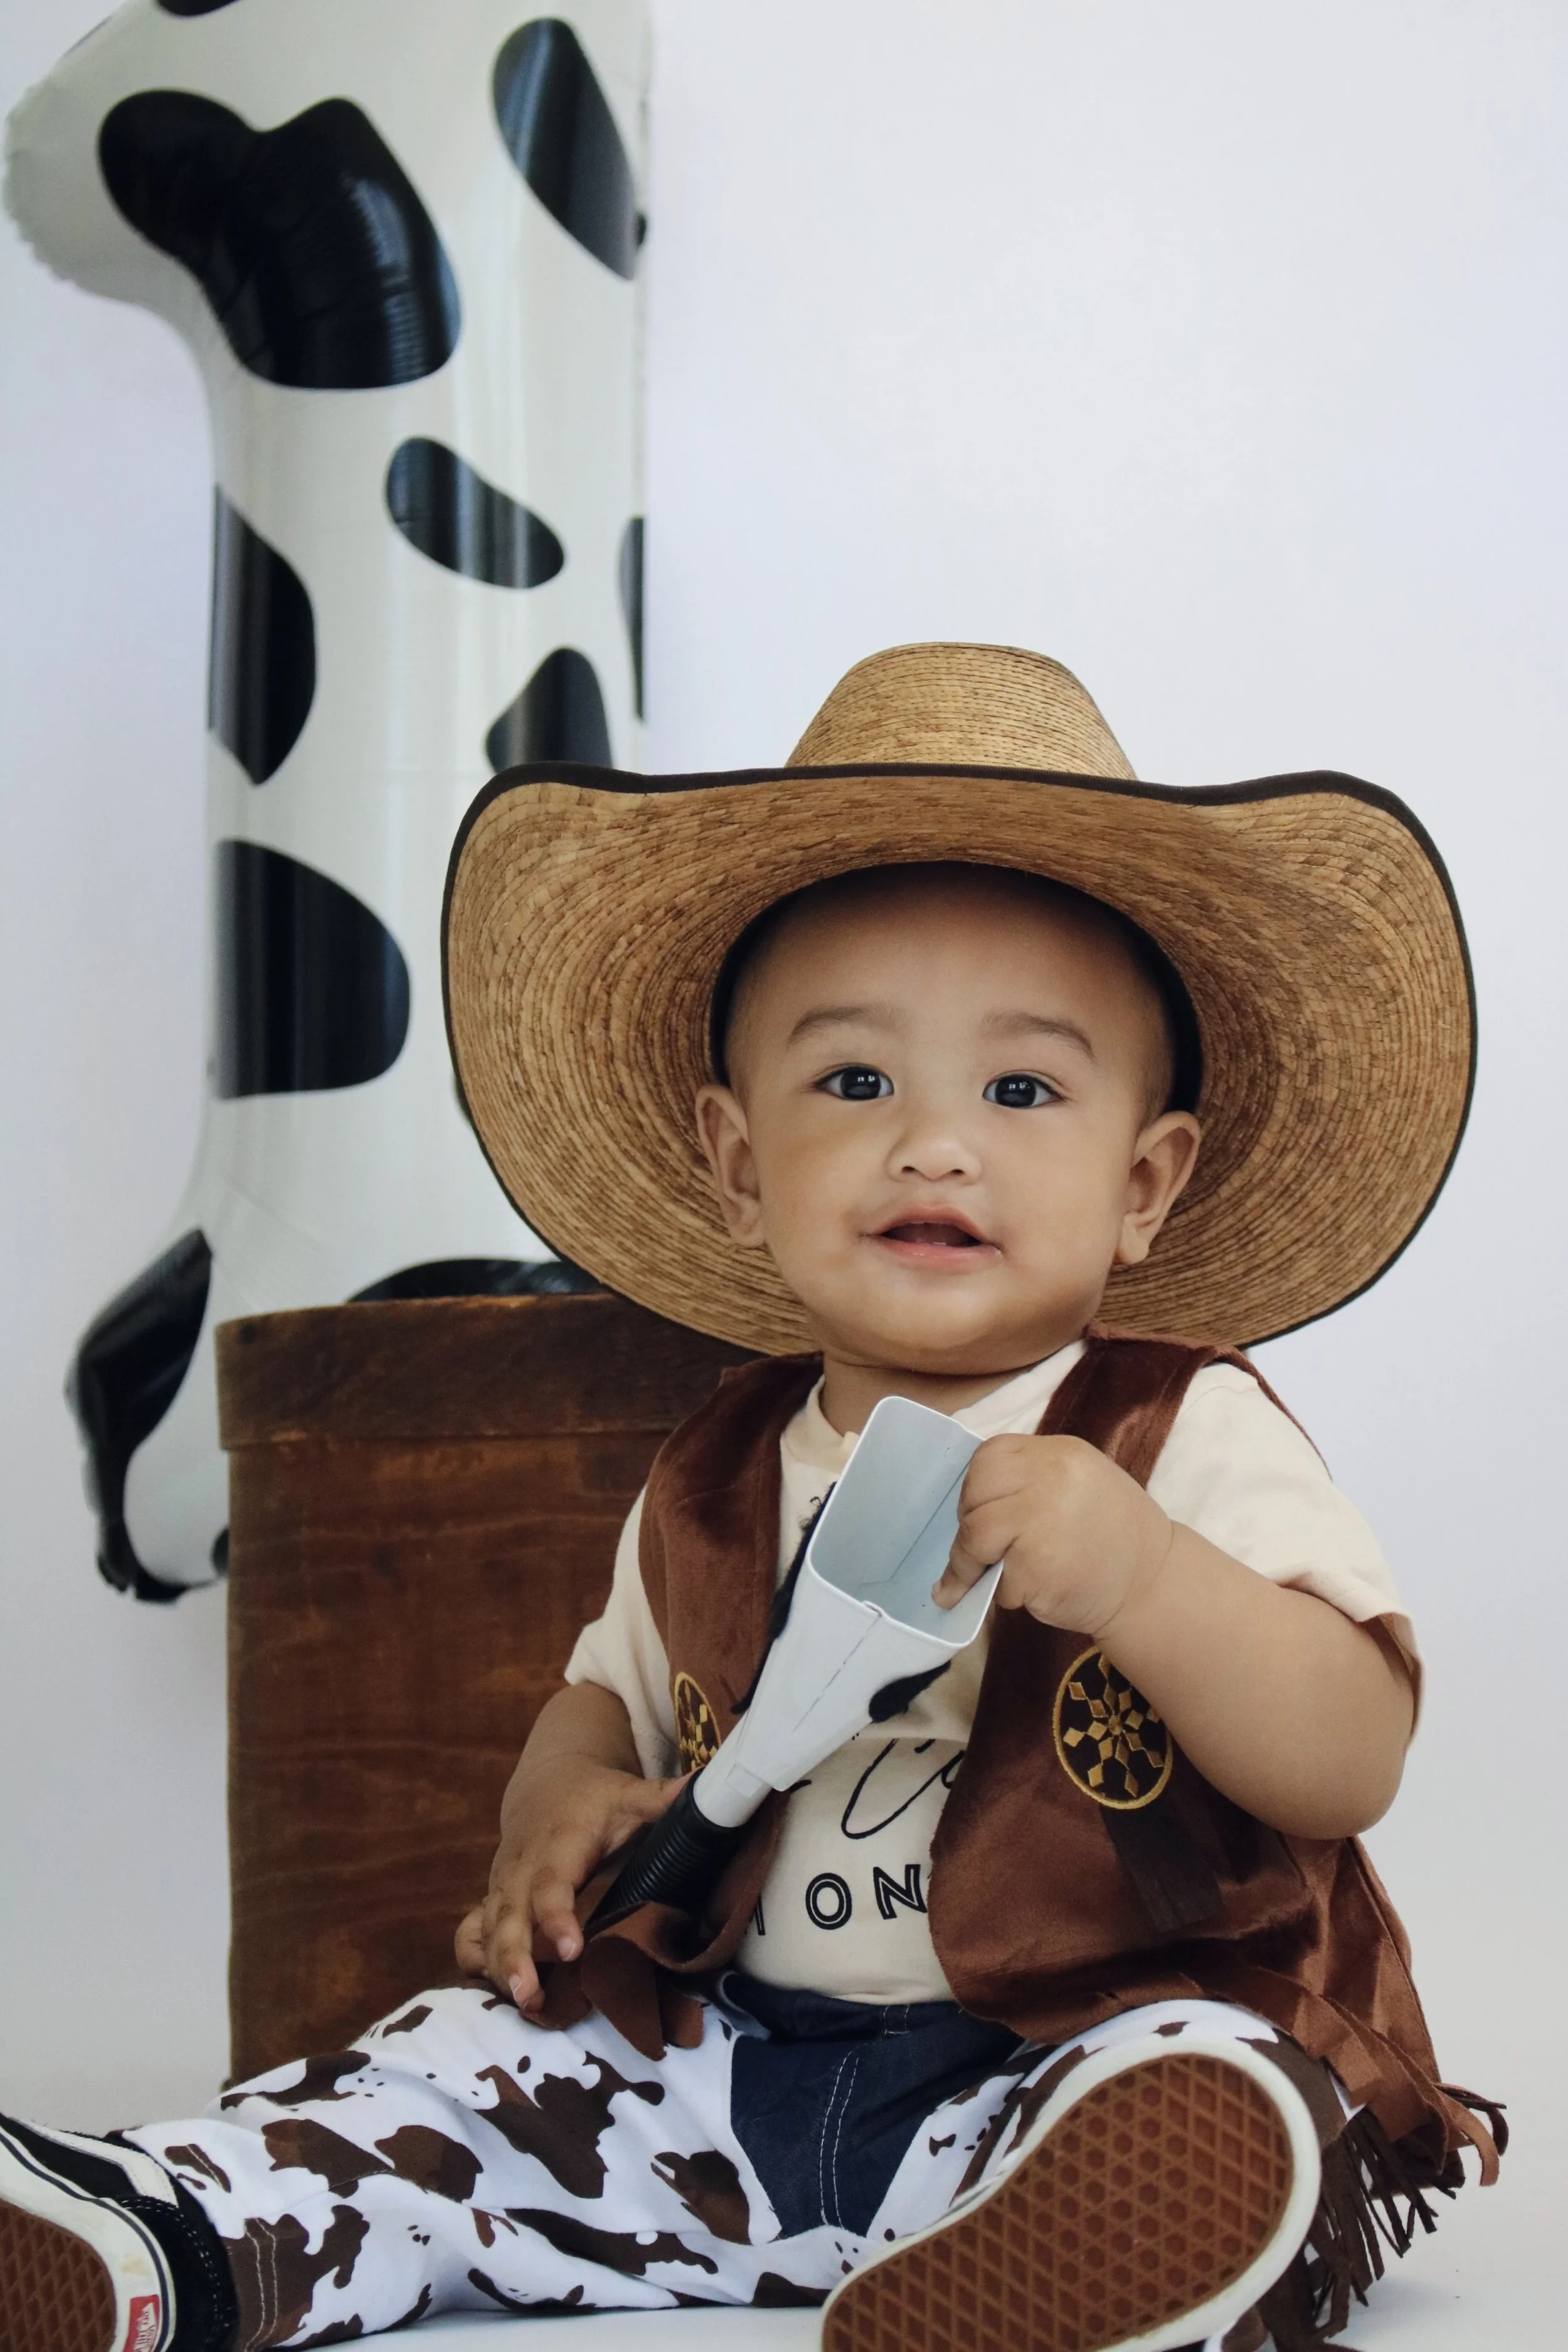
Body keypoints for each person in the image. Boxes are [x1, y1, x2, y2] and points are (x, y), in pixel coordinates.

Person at [0, 644, 1503, 2352]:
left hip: (1069, 2045)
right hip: (725, 2081)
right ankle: (167, 2233)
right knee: (455, 2066)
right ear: (734, 1162)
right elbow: (604, 1699)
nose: (933, 1144)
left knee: (1223, 2078)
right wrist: (545, 1811)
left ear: (1142, 1181)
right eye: (854, 1081)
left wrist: (1144, 1571)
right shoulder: (717, 1471)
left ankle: (1105, 2247)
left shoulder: (1174, 1429)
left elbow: (1348, 1750)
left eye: (1021, 1090)